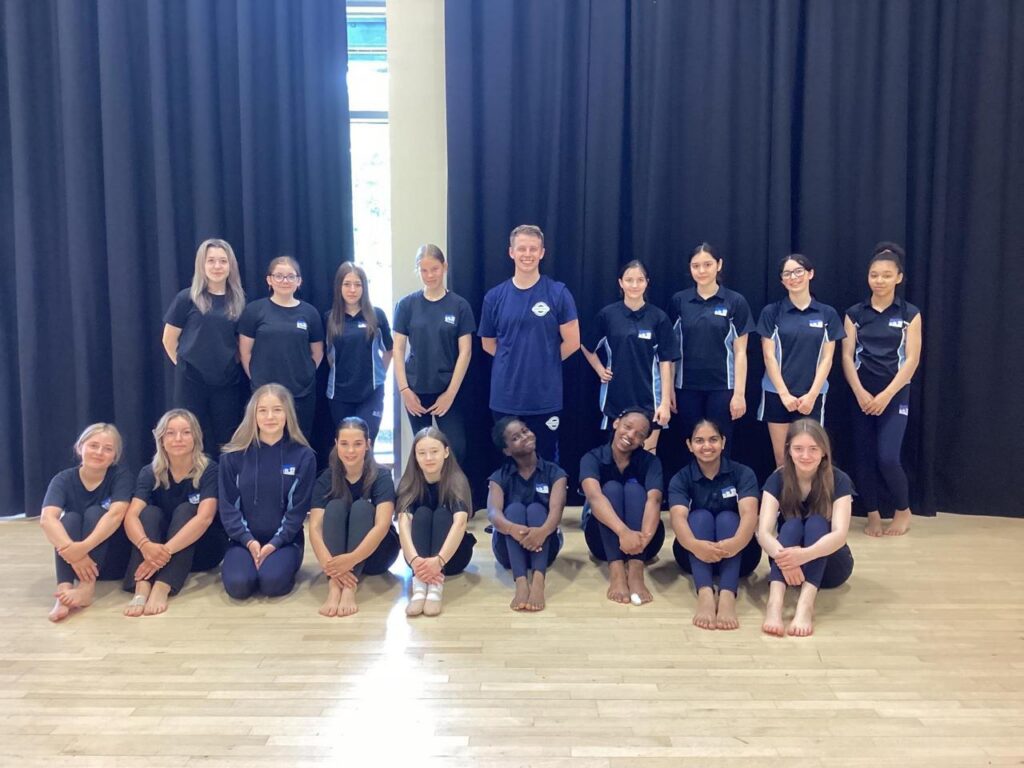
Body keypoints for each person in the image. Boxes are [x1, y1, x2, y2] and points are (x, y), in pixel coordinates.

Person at [479, 224, 580, 462]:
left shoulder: (558, 293)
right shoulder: (494, 297)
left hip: (544, 398)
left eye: (533, 249)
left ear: (542, 253)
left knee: (545, 463)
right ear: (511, 252)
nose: (527, 254)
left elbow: (573, 342)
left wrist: (545, 360)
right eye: (521, 248)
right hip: (506, 397)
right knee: (509, 464)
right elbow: (488, 343)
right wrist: (513, 360)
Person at [842, 243, 922, 537]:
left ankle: (903, 509)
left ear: (898, 278)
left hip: (895, 393)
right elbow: (846, 356)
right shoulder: (855, 313)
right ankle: (873, 514)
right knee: (863, 457)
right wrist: (860, 392)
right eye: (874, 275)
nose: (879, 280)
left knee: (887, 456)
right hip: (861, 394)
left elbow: (912, 359)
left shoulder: (909, 313)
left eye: (887, 275)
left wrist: (887, 395)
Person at [122, 409, 228, 616]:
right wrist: (146, 546)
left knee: (187, 509)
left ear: (196, 437)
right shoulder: (149, 472)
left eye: (186, 432)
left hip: (202, 549)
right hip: (155, 553)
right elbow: (131, 515)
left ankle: (162, 587)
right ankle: (142, 588)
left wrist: (164, 553)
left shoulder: (209, 469)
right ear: (161, 439)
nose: (178, 439)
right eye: (170, 433)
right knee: (149, 513)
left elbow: (205, 519)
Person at [218, 384, 317, 600]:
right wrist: (248, 541)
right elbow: (228, 508)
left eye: (277, 410)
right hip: (242, 541)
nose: (270, 417)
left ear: (287, 414)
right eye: (262, 410)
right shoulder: (232, 456)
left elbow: (297, 512)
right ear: (253, 414)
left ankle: (279, 564)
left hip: (285, 542)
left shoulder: (303, 456)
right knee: (239, 586)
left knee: (272, 583)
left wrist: (275, 543)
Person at [757, 419, 855, 637]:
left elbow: (840, 535)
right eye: (798, 449)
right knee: (791, 526)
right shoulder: (778, 478)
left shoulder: (839, 480)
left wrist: (804, 555)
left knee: (817, 523)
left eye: (813, 449)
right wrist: (787, 559)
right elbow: (762, 533)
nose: (805, 455)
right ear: (789, 450)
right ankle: (774, 605)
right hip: (787, 565)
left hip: (831, 566)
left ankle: (805, 606)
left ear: (824, 452)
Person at [668, 420, 761, 630]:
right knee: (700, 517)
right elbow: (678, 518)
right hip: (694, 554)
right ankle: (705, 594)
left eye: (713, 439)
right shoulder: (681, 478)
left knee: (728, 518)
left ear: (723, 442)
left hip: (741, 554)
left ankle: (727, 595)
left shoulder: (743, 473)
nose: (707, 446)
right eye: (699, 441)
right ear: (689, 445)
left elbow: (749, 514)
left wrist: (735, 543)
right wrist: (695, 545)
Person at [757, 254, 845, 467]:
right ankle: (785, 492)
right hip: (777, 394)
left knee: (810, 459)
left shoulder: (827, 314)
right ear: (782, 280)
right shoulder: (771, 312)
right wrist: (784, 394)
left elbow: (827, 358)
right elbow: (769, 356)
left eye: (798, 271)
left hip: (812, 396)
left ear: (810, 274)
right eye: (787, 273)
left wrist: (812, 395)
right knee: (782, 459)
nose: (793, 277)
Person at [308, 417, 401, 617]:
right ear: (336, 444)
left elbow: (383, 525)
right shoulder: (326, 478)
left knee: (361, 507)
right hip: (338, 558)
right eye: (344, 444)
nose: (350, 451)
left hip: (377, 554)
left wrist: (351, 560)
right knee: (335, 506)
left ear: (368, 444)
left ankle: (349, 589)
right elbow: (314, 528)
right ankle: (334, 587)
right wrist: (331, 569)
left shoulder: (382, 476)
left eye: (357, 444)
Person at [39, 423, 133, 622]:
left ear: (115, 456)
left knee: (95, 512)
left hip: (112, 560)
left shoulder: (121, 476)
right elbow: (47, 519)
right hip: (77, 563)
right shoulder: (62, 479)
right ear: (79, 447)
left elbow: (116, 515)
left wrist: (82, 548)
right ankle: (63, 592)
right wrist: (73, 553)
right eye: (93, 445)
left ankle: (86, 589)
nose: (99, 452)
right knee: (69, 519)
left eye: (107, 449)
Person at [162, 238, 246, 454]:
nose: (217, 266)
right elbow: (169, 340)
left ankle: (222, 475)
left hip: (226, 380)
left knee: (226, 436)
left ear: (230, 265)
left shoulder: (238, 301)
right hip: (190, 380)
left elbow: (241, 342)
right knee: (188, 433)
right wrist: (185, 366)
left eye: (223, 261)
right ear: (202, 264)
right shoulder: (187, 298)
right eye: (211, 261)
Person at [393, 244, 475, 464]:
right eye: (424, 270)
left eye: (434, 269)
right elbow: (398, 349)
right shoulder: (406, 305)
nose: (430, 275)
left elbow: (465, 352)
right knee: (423, 450)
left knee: (456, 449)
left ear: (444, 267)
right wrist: (404, 390)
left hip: (448, 389)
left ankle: (451, 489)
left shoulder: (459, 306)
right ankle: (425, 488)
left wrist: (450, 394)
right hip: (415, 390)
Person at [582, 260, 677, 450]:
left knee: (647, 456)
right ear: (620, 282)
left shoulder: (658, 317)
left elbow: (666, 361)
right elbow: (586, 345)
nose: (634, 285)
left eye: (640, 280)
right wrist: (600, 369)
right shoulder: (608, 315)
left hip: (650, 400)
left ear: (647, 282)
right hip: (616, 398)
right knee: (617, 455)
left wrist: (665, 402)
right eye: (629, 280)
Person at [670, 243, 754, 451]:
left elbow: (741, 352)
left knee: (720, 444)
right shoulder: (679, 301)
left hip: (723, 388)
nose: (702, 270)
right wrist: (669, 389)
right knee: (691, 443)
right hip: (686, 387)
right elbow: (670, 350)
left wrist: (739, 394)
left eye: (707, 264)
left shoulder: (735, 301)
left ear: (719, 265)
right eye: (696, 266)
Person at [579, 408, 665, 605]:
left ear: (644, 440)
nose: (630, 435)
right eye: (627, 427)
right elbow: (594, 497)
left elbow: (654, 500)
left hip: (645, 543)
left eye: (639, 434)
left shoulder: (651, 462)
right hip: (602, 542)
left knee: (634, 490)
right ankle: (616, 572)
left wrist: (641, 541)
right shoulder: (592, 458)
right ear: (616, 423)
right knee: (611, 488)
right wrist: (624, 532)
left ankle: (636, 572)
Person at [238, 256, 324, 440]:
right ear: (269, 280)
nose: (285, 281)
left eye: (291, 276)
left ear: (299, 281)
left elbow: (317, 352)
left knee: (299, 443)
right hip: (264, 392)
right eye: (279, 276)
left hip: (301, 393)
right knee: (266, 442)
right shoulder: (254, 310)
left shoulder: (310, 313)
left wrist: (305, 375)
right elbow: (245, 352)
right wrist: (257, 379)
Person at [486, 417, 567, 612]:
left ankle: (538, 582)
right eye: (515, 438)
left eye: (525, 431)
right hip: (507, 551)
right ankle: (521, 583)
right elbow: (493, 513)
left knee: (536, 509)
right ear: (507, 450)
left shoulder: (555, 473)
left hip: (546, 546)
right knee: (514, 509)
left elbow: (556, 511)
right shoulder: (500, 477)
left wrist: (542, 532)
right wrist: (512, 529)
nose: (525, 436)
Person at [396, 427, 476, 617]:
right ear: (415, 456)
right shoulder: (409, 481)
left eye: (434, 451)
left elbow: (460, 524)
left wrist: (438, 561)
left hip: (452, 557)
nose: (428, 458)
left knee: (442, 514)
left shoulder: (456, 480)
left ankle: (434, 589)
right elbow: (403, 524)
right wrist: (414, 560)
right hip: (418, 562)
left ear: (446, 452)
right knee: (422, 513)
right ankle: (419, 588)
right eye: (422, 453)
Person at [323, 262, 393, 441]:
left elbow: (389, 351)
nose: (352, 289)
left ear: (364, 287)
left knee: (366, 441)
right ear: (339, 286)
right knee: (346, 444)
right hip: (339, 394)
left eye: (357, 284)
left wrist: (379, 374)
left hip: (371, 392)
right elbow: (328, 355)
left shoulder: (377, 315)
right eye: (347, 284)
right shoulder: (329, 318)